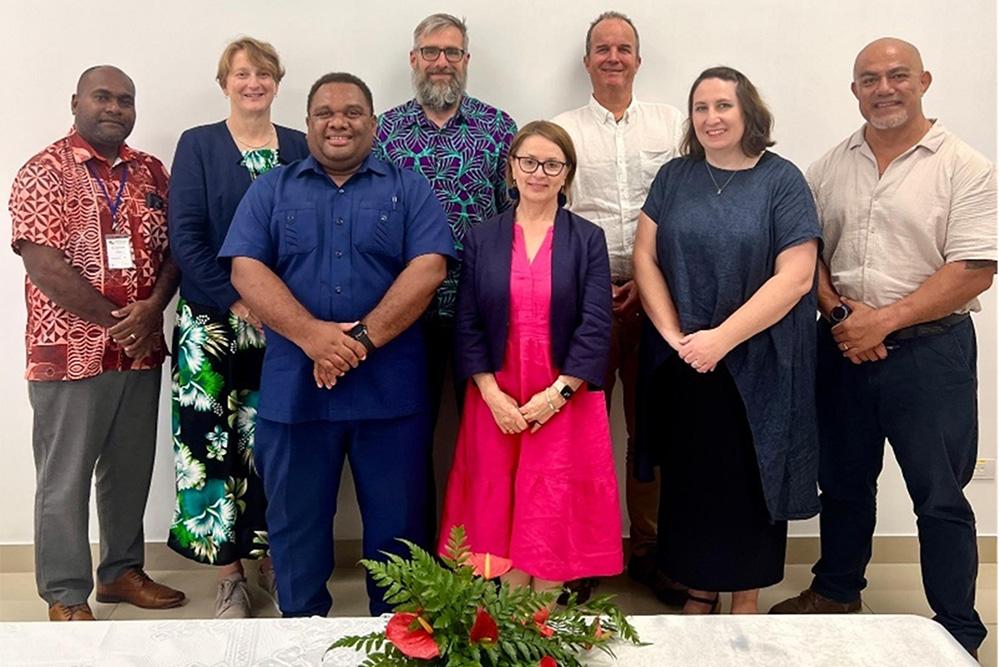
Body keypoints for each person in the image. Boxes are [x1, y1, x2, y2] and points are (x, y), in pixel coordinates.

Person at [769, 38, 995, 657]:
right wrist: (843, 316)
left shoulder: (964, 166)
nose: (884, 88)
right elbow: (805, 252)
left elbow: (974, 269)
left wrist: (884, 321)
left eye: (898, 76)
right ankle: (837, 590)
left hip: (933, 354)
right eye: (870, 79)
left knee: (940, 496)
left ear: (924, 80)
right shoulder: (827, 166)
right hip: (841, 347)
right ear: (854, 90)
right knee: (842, 483)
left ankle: (957, 629)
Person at [219, 72, 454, 617]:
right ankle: (300, 635)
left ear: (373, 123)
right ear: (308, 125)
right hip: (295, 390)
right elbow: (246, 270)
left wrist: (359, 340)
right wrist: (312, 337)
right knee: (295, 528)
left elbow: (429, 267)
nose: (338, 122)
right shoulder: (273, 189)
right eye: (325, 113)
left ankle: (400, 641)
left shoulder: (408, 185)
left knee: (399, 528)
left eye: (351, 112)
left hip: (390, 393)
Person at [633, 67, 820, 614]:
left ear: (748, 113)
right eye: (700, 108)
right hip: (687, 359)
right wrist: (674, 335)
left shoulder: (781, 180)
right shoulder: (674, 177)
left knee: (750, 478)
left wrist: (721, 338)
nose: (711, 118)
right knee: (694, 477)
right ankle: (699, 586)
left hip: (759, 358)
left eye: (723, 106)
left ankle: (745, 595)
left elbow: (797, 275)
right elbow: (646, 256)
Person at [9, 65, 184, 621]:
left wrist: (152, 310)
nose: (114, 107)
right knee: (65, 478)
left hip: (139, 350)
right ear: (76, 102)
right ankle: (64, 593)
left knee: (130, 469)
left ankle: (121, 573)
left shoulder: (152, 173)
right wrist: (119, 321)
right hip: (70, 353)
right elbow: (45, 266)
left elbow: (179, 249)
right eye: (102, 97)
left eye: (125, 99)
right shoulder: (44, 171)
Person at [438, 121, 622, 593]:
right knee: (498, 502)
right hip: (497, 396)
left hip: (564, 397)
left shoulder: (587, 239)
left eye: (552, 164)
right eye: (529, 162)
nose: (539, 172)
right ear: (512, 170)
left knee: (552, 505)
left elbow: (596, 325)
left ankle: (542, 618)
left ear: (566, 175)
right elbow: (468, 322)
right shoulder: (483, 237)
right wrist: (491, 393)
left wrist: (557, 396)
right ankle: (511, 616)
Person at [167, 37, 309, 618]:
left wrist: (282, 309)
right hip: (212, 324)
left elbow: (312, 234)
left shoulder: (301, 148)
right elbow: (187, 234)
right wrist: (236, 297)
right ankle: (229, 576)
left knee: (275, 445)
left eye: (264, 73)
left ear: (278, 81)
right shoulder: (198, 145)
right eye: (242, 73)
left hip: (284, 326)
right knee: (208, 445)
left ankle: (274, 559)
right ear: (224, 81)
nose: (254, 83)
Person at [552, 10, 685, 604]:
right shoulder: (561, 131)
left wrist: (651, 276)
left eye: (623, 47)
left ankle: (650, 549)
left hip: (662, 298)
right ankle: (581, 550)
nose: (613, 57)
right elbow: (547, 215)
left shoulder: (675, 125)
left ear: (638, 58)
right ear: (586, 62)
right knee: (580, 426)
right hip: (584, 299)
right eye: (601, 48)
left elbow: (687, 206)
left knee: (652, 429)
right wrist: (592, 283)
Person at [376, 13, 517, 530]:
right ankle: (418, 561)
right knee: (407, 439)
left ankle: (484, 556)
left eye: (451, 53)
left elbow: (516, 220)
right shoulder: (384, 132)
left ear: (466, 61)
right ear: (413, 59)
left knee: (486, 437)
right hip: (402, 314)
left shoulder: (499, 129)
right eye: (431, 52)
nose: (441, 62)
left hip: (479, 311)